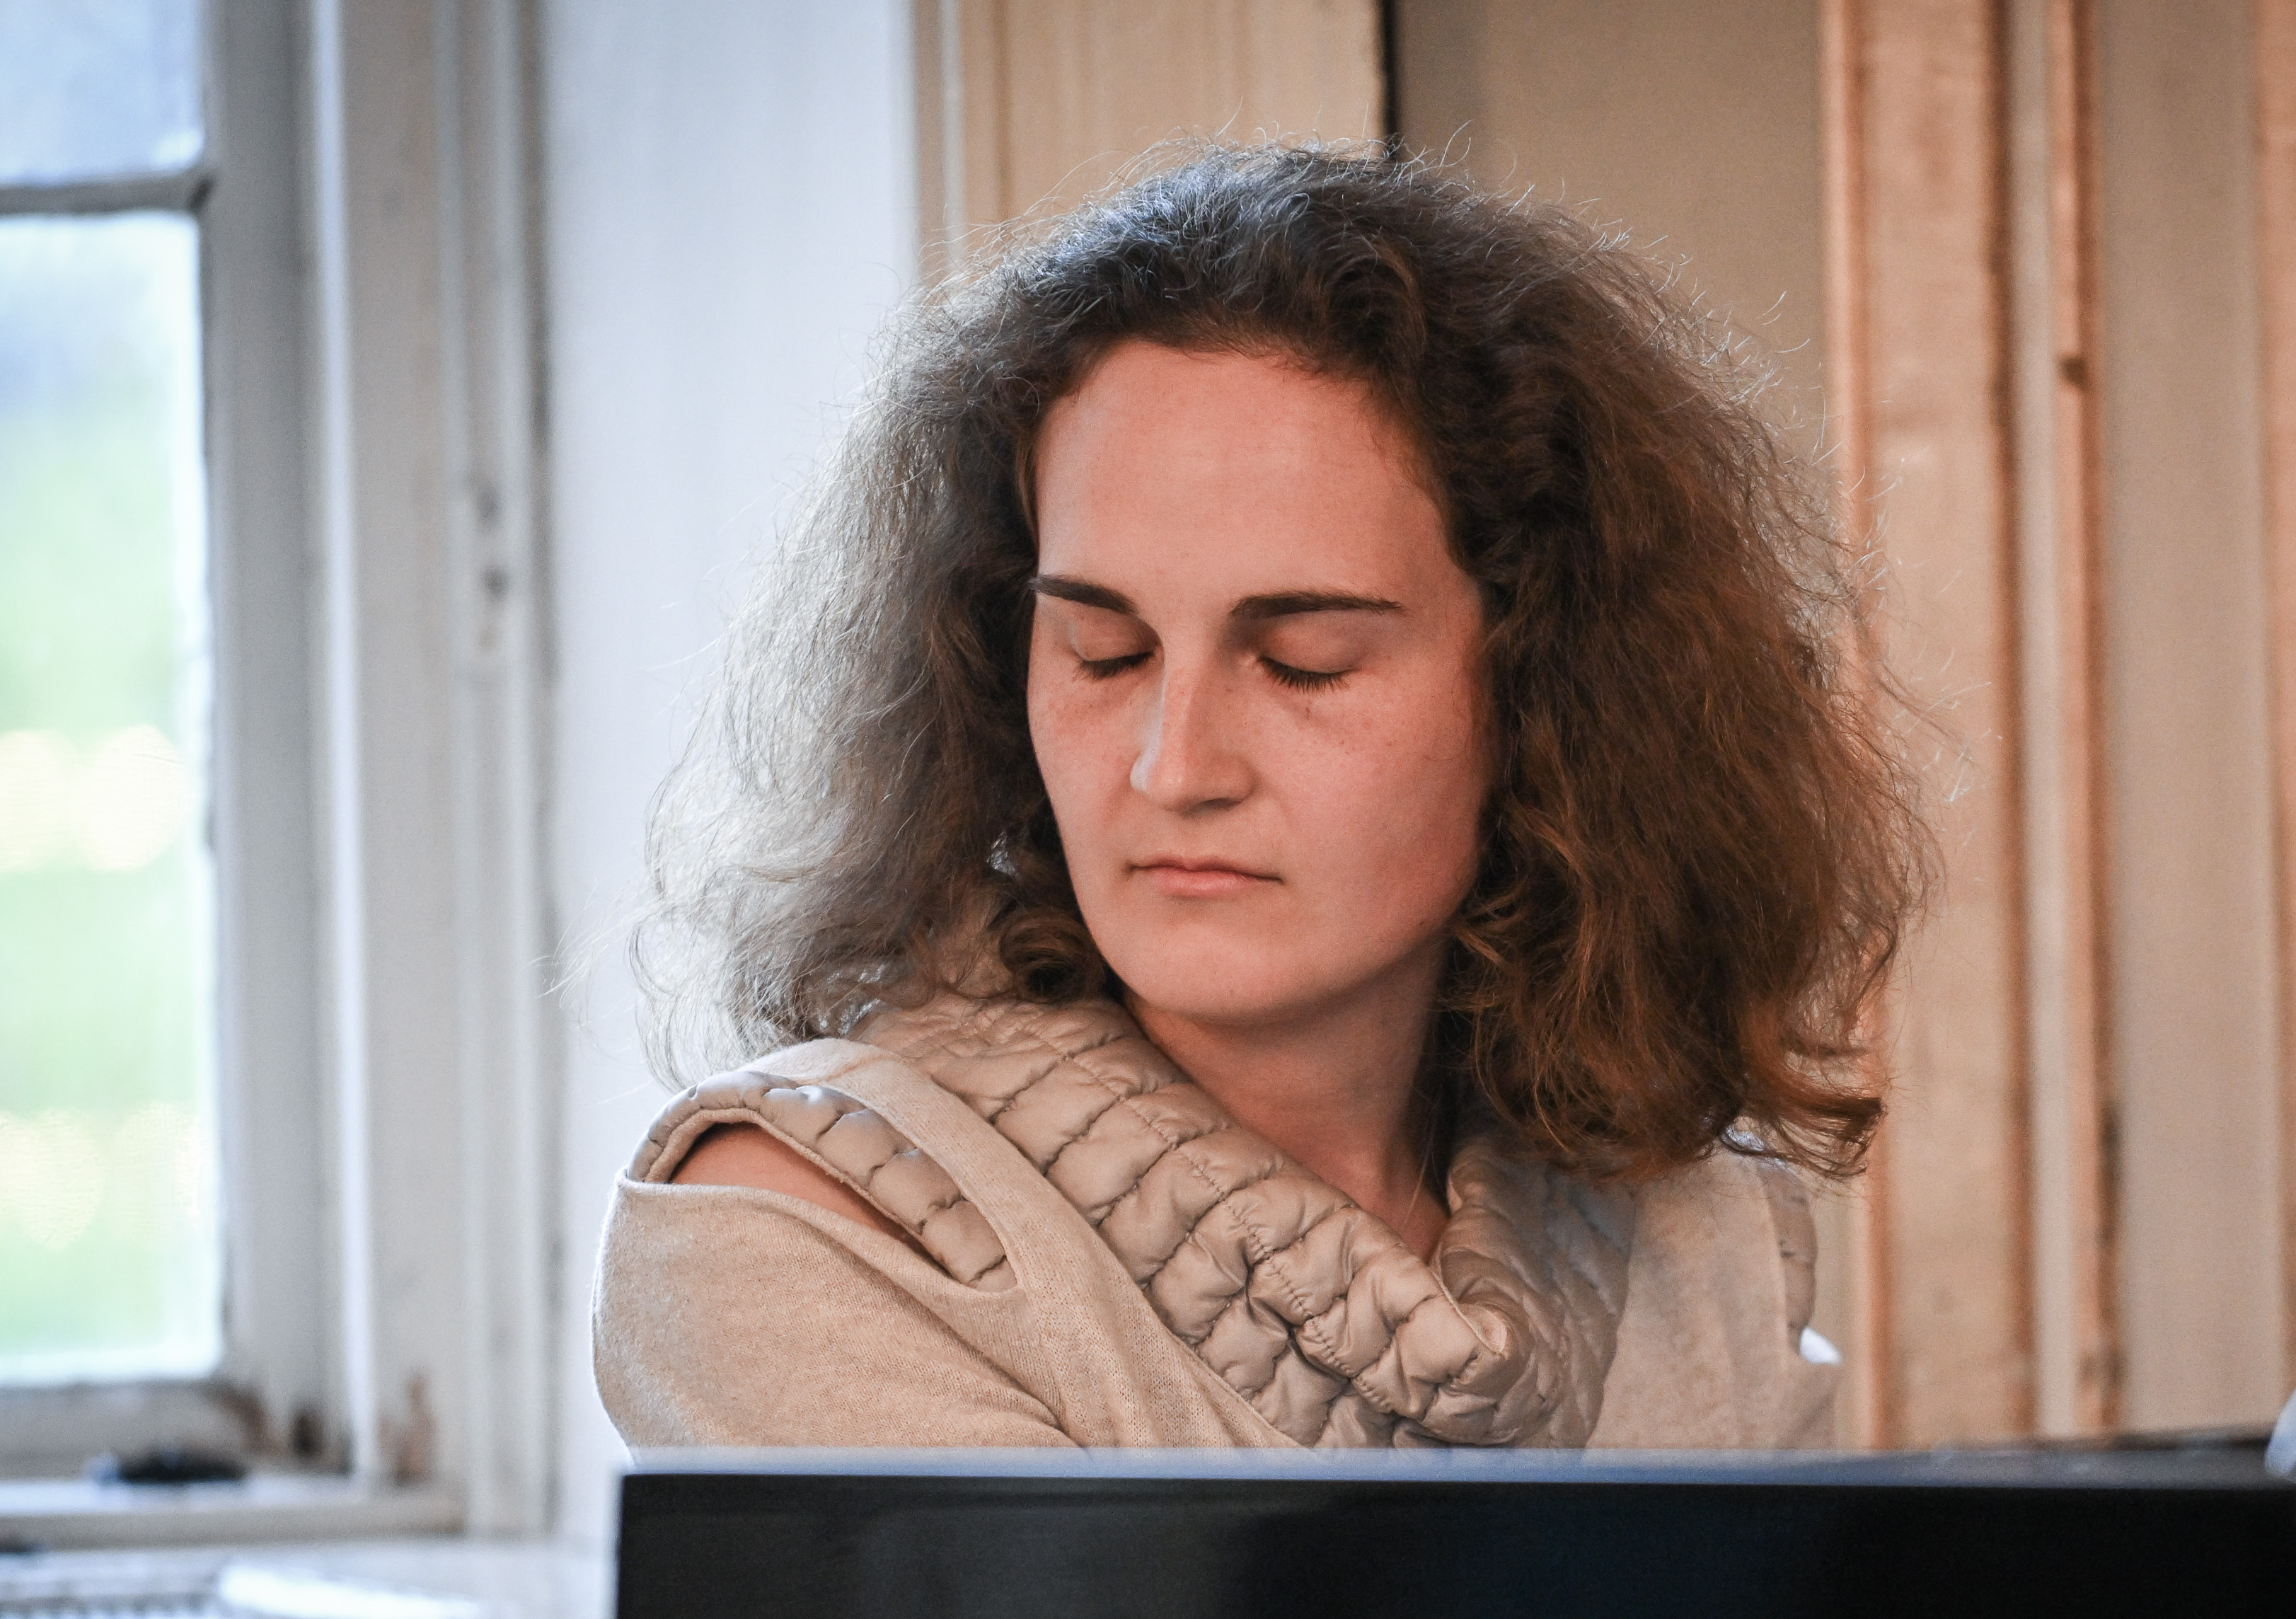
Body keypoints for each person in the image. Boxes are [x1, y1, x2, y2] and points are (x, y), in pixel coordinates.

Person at [594, 144, 1930, 1451]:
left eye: (1304, 662)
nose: (1174, 770)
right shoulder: (810, 1225)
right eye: (1104, 653)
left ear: (1550, 691)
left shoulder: (1707, 1238)